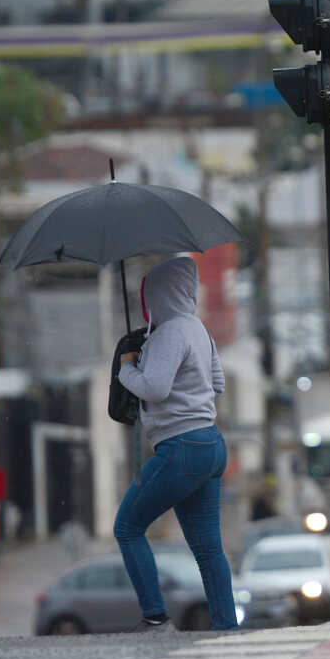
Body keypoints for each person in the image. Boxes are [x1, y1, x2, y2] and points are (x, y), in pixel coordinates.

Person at [114, 256, 237, 631]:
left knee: (128, 527)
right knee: (208, 549)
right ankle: (226, 626)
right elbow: (218, 384)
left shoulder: (168, 333)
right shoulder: (198, 329)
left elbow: (154, 388)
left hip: (181, 448)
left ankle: (154, 616)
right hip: (211, 443)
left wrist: (127, 369)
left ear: (159, 294)